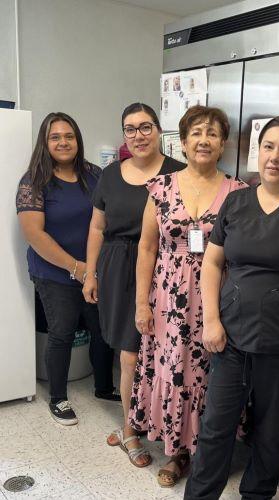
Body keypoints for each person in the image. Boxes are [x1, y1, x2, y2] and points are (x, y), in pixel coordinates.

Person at [184, 116, 279, 499]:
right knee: (215, 428)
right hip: (230, 338)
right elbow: (212, 263)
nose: (275, 157)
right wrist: (211, 321)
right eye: (268, 147)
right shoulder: (236, 200)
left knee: (271, 434)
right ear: (257, 153)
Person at [129, 105, 247, 487]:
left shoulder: (239, 192)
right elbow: (147, 248)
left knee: (213, 375)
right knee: (174, 371)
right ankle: (178, 452)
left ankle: (208, 452)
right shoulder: (161, 188)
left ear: (223, 143)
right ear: (182, 141)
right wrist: (141, 302)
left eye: (212, 133)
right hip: (168, 300)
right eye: (196, 132)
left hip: (217, 300)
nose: (204, 140)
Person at [82, 103, 185, 467]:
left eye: (145, 127)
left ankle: (147, 421)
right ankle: (129, 428)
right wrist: (90, 273)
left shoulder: (178, 173)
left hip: (167, 271)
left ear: (159, 130)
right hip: (116, 266)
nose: (138, 135)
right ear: (123, 134)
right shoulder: (110, 176)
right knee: (128, 354)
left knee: (158, 354)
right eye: (130, 129)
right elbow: (96, 227)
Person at [16, 112, 118, 426]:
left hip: (93, 269)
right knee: (62, 332)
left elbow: (107, 218)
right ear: (45, 143)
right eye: (55, 137)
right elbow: (35, 235)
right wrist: (76, 268)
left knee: (101, 329)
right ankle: (58, 398)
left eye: (69, 136)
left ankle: (103, 387)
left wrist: (95, 268)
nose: (64, 142)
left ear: (78, 140)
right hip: (54, 272)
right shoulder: (34, 181)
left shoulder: (94, 173)